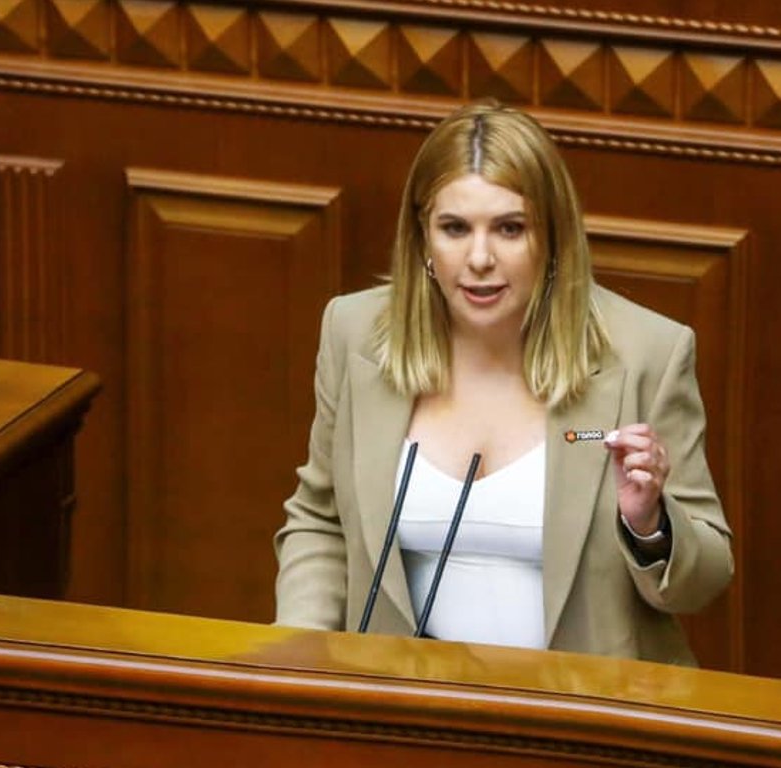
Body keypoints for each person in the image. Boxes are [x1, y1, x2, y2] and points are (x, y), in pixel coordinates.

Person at [274, 101, 732, 666]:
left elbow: (705, 580)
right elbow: (321, 522)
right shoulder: (355, 334)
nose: (480, 258)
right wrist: (298, 656)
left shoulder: (647, 353)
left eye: (510, 228)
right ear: (422, 238)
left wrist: (650, 525)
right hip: (405, 701)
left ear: (552, 237)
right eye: (455, 228)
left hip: (586, 705)